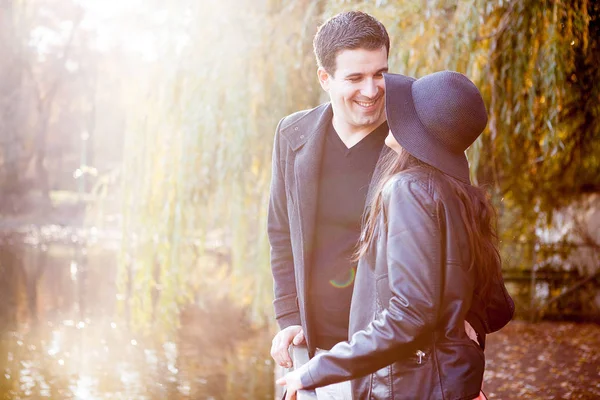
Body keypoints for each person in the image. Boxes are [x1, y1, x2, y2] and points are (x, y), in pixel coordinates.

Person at [268, 11, 510, 399]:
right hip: (316, 351)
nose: (372, 89)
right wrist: (288, 317)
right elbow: (280, 232)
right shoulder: (291, 134)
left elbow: (472, 247)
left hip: (400, 363)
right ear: (324, 78)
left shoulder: (420, 135)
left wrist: (466, 326)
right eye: (354, 77)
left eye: (380, 73)